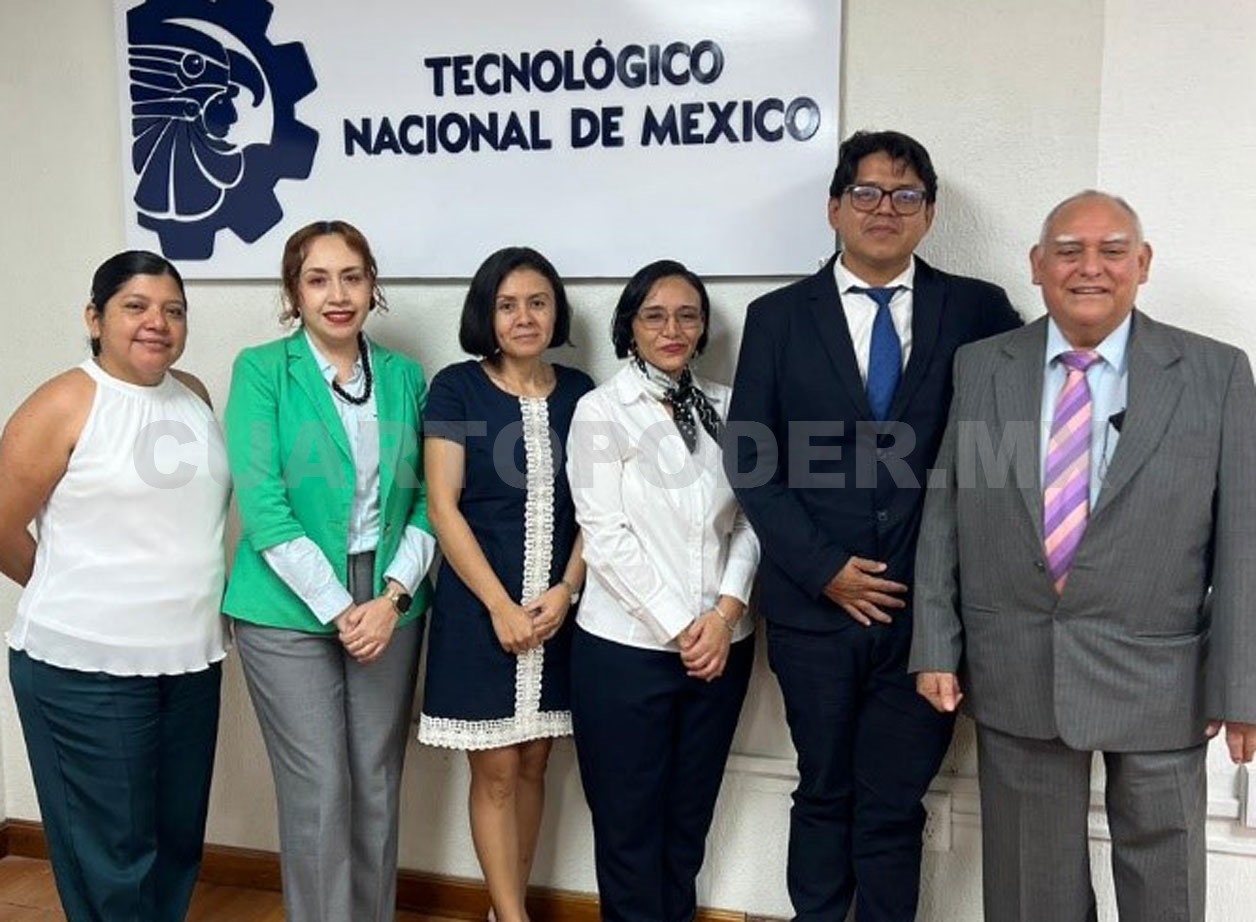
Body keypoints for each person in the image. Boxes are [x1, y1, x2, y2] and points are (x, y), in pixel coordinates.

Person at [910, 190, 1256, 922]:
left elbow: (1244, 541)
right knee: (1031, 892)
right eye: (1069, 251)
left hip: (1163, 677)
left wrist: (1241, 689)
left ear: (1143, 263)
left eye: (1112, 251)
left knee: (1165, 885)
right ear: (1038, 265)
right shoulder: (983, 366)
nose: (1089, 267)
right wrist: (935, 642)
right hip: (1018, 667)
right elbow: (948, 512)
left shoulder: (1216, 372)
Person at [726, 130, 1021, 922]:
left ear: (929, 213)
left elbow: (1016, 432)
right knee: (824, 790)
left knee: (895, 803)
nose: (884, 208)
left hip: (930, 616)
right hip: (815, 609)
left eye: (905, 194)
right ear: (835, 208)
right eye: (865, 192)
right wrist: (823, 567)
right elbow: (750, 458)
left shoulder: (980, 310)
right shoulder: (778, 318)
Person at [0, 250, 227, 922]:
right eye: (136, 306)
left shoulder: (193, 394)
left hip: (190, 660)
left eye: (173, 310)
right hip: (85, 668)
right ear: (94, 318)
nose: (157, 322)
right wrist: (75, 588)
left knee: (176, 841)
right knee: (112, 855)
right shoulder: (64, 402)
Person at [222, 220, 435, 922]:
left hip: (390, 596)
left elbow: (431, 499)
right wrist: (343, 608)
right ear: (294, 292)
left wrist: (391, 599)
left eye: (352, 277)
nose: (337, 295)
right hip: (285, 602)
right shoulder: (262, 371)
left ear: (373, 286)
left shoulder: (405, 377)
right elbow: (264, 506)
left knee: (375, 780)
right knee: (319, 788)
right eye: (318, 279)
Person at [567, 259, 759, 922]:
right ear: (630, 327)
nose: (672, 329)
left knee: (687, 826)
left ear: (703, 327)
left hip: (722, 649)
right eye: (654, 316)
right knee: (629, 831)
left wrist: (724, 614)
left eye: (687, 315)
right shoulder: (600, 411)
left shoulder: (731, 408)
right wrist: (684, 626)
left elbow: (754, 519)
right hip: (626, 652)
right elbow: (605, 536)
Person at [417, 246, 593, 922]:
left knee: (534, 761)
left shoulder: (579, 393)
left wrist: (567, 588)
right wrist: (499, 605)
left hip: (557, 611)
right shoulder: (456, 388)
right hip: (478, 609)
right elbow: (442, 506)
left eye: (538, 303)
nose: (524, 317)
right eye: (508, 305)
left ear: (556, 311)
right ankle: (514, 918)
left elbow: (599, 506)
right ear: (485, 315)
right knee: (494, 768)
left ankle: (503, 908)